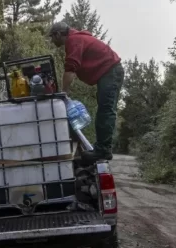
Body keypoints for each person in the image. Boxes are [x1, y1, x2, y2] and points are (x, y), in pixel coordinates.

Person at [48, 22, 124, 163]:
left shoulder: (74, 40)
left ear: (58, 34)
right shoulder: (76, 39)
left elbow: (71, 68)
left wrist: (63, 94)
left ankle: (103, 150)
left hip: (111, 71)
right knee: (104, 110)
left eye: (52, 37)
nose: (52, 41)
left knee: (106, 110)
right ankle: (101, 148)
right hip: (109, 72)